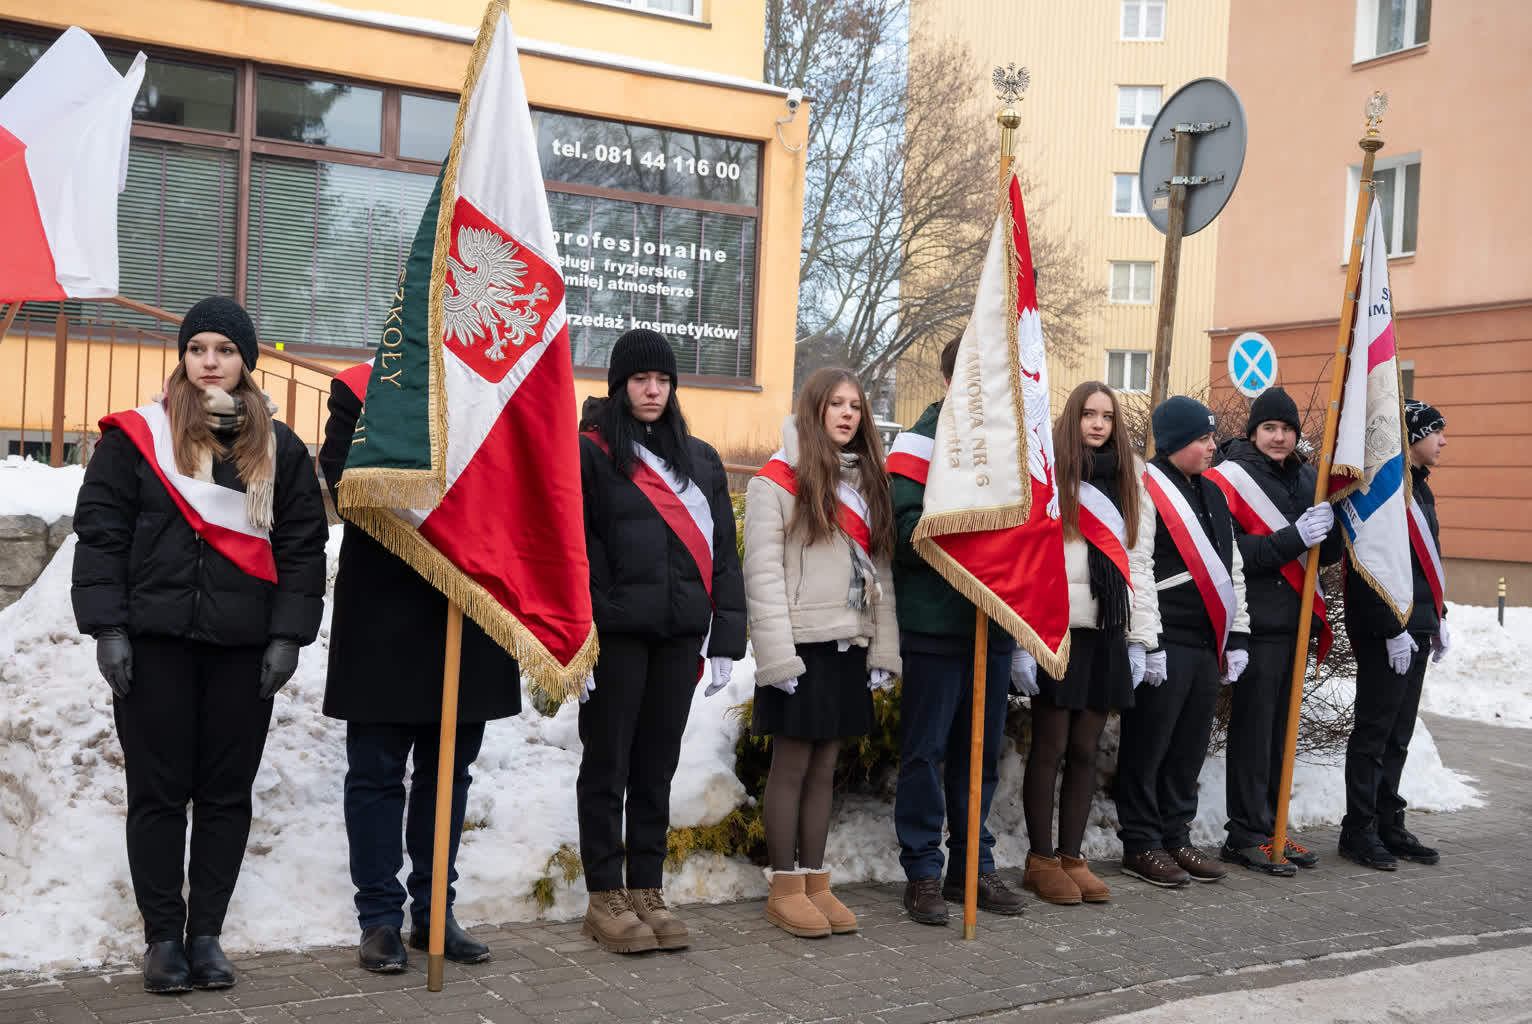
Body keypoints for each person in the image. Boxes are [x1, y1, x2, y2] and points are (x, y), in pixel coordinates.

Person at [71, 297, 328, 993]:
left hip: (243, 649)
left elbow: (302, 549)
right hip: (154, 645)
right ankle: (162, 938)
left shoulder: (280, 449)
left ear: (246, 361)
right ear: (183, 357)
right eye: (197, 348)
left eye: (224, 349)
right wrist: (108, 628)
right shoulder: (137, 441)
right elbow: (102, 537)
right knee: (156, 794)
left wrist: (287, 636)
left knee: (224, 794)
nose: (209, 361)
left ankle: (206, 934)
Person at [318, 366, 520, 973]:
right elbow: (343, 482)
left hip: (466, 605)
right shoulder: (362, 386)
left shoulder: (491, 389)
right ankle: (379, 918)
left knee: (447, 775)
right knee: (376, 773)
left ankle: (435, 911)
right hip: (384, 609)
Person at [577, 328, 746, 952]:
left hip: (680, 636)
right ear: (619, 385)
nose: (653, 390)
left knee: (657, 767)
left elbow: (723, 555)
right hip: (616, 635)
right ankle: (605, 895)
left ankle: (646, 887)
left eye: (663, 380)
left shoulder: (699, 459)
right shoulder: (589, 454)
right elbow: (575, 549)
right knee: (607, 765)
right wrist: (578, 636)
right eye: (641, 379)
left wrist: (726, 635)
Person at [744, 368, 900, 938]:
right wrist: (777, 659)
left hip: (846, 644)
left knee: (825, 767)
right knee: (791, 766)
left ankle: (814, 881)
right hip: (799, 647)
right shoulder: (775, 482)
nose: (847, 414)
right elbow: (762, 576)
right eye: (836, 404)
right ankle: (784, 888)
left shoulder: (866, 481)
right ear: (814, 410)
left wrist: (883, 651)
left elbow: (880, 574)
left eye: (855, 406)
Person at [888, 337, 1026, 925]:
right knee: (925, 754)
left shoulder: (1009, 447)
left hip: (990, 624)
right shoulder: (919, 444)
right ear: (955, 380)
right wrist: (967, 526)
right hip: (936, 626)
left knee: (981, 755)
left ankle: (972, 865)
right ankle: (922, 869)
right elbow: (901, 535)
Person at [1018, 382, 1158, 906]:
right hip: (1059, 630)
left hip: (1107, 629)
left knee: (1085, 750)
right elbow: (1030, 560)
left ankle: (1072, 857)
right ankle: (1040, 860)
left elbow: (1138, 561)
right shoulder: (1048, 475)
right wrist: (1024, 639)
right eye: (1088, 414)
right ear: (1072, 419)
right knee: (1050, 747)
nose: (1098, 424)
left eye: (1107, 416)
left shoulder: (1130, 480)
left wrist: (1141, 639)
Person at [1114, 395, 1250, 888]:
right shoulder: (1146, 487)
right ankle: (1141, 841)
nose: (1213, 446)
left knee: (1189, 746)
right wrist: (1147, 641)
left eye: (1213, 437)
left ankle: (1176, 834)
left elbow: (1231, 568)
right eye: (1203, 439)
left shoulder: (1213, 492)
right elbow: (1138, 565)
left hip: (1206, 640)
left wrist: (1238, 633)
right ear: (1174, 442)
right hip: (1165, 638)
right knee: (1149, 744)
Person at [1208, 387, 1341, 875]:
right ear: (1253, 432)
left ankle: (1273, 828)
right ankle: (1245, 834)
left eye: (1286, 429)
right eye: (1269, 428)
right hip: (1256, 625)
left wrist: (1332, 529)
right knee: (1254, 733)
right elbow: (1233, 552)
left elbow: (1324, 555)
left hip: (1296, 624)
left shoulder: (1308, 478)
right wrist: (1293, 537)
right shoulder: (1229, 478)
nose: (1279, 437)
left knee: (1281, 735)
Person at [1339, 398, 1450, 870]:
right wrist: (1391, 628)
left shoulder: (1421, 489)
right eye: (1435, 432)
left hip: (1416, 626)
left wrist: (1438, 616)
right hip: (1386, 630)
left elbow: (1425, 564)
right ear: (1412, 438)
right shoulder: (1382, 492)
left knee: (1398, 735)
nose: (1443, 441)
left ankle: (1388, 821)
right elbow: (1369, 566)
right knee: (1374, 731)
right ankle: (1358, 828)